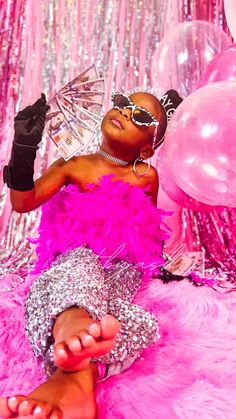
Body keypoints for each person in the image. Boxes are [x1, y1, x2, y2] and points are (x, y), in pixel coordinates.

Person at [0, 89, 182, 419]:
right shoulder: (73, 166)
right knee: (82, 271)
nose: (126, 113)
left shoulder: (146, 176)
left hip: (120, 266)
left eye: (140, 117)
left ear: (146, 148)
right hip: (73, 257)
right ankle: (76, 337)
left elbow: (149, 230)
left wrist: (159, 264)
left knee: (114, 299)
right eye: (123, 103)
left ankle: (71, 378)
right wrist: (23, 150)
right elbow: (22, 202)